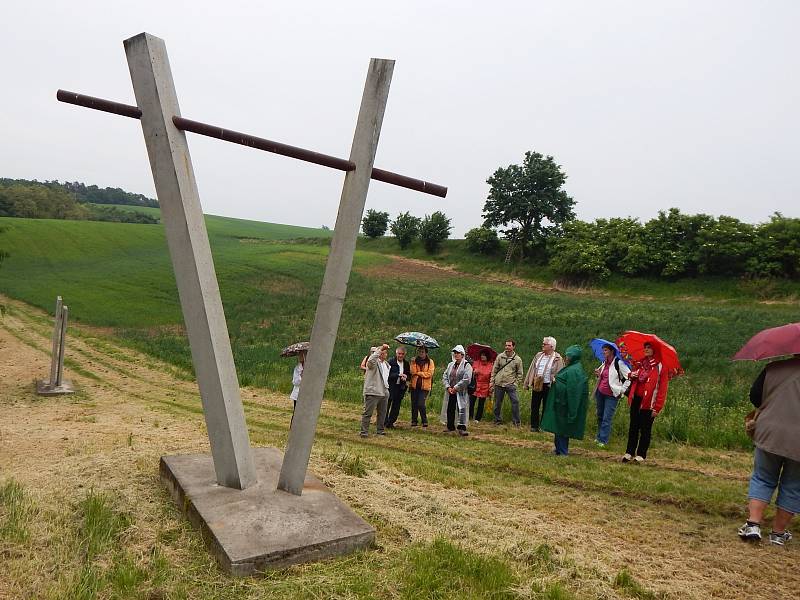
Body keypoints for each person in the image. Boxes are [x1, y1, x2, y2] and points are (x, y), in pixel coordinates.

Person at [738, 354, 800, 546]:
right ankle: (778, 534)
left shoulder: (773, 368)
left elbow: (755, 397)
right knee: (793, 485)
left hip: (769, 432)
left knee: (763, 477)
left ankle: (753, 524)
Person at [622, 342, 668, 463]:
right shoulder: (641, 363)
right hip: (636, 398)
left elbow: (662, 389)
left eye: (649, 348)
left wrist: (657, 407)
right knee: (633, 426)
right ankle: (629, 452)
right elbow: (630, 374)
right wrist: (633, 374)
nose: (646, 350)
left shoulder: (661, 367)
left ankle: (641, 454)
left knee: (645, 428)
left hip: (649, 402)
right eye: (645, 348)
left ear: (655, 350)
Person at [541, 344, 588, 455]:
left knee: (562, 428)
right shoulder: (572, 368)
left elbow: (572, 390)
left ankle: (562, 451)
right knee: (559, 427)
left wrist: (556, 382)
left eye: (568, 356)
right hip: (561, 403)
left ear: (574, 357)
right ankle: (558, 449)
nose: (566, 358)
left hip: (565, 404)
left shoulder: (574, 371)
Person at [593, 343, 631, 448]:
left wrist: (621, 390)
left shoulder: (619, 363)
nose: (603, 352)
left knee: (607, 417)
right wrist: (598, 375)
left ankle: (603, 440)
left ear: (611, 351)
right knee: (600, 415)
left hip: (612, 395)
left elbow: (629, 377)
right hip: (600, 392)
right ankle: (599, 436)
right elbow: (605, 378)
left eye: (605, 350)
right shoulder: (604, 363)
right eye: (603, 350)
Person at [524, 337, 563, 432]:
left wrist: (556, 380)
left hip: (548, 385)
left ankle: (544, 426)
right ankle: (534, 426)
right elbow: (531, 369)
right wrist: (527, 382)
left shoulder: (558, 358)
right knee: (534, 405)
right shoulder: (538, 355)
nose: (542, 345)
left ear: (551, 346)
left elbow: (560, 372)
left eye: (544, 344)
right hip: (537, 383)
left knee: (547, 406)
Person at [491, 339, 525, 426]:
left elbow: (520, 373)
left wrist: (515, 383)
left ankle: (516, 422)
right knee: (498, 403)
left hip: (510, 384)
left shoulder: (517, 359)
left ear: (513, 347)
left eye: (509, 345)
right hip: (499, 383)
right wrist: (492, 381)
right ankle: (497, 420)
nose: (507, 347)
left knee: (515, 401)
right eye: (506, 345)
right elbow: (494, 370)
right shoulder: (500, 357)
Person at [441, 345, 473, 436]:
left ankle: (462, 427)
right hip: (451, 390)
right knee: (450, 408)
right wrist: (448, 387)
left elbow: (467, 379)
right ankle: (450, 426)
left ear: (462, 355)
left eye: (458, 353)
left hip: (461, 391)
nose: (456, 355)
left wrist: (456, 387)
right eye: (455, 353)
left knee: (461, 408)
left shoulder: (467, 365)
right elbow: (445, 376)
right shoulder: (451, 365)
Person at [360, 344, 390, 438]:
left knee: (382, 413)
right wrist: (380, 348)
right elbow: (371, 360)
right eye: (381, 352)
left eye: (385, 352)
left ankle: (380, 431)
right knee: (368, 413)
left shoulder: (386, 364)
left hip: (384, 391)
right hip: (373, 391)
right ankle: (364, 432)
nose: (383, 354)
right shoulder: (372, 363)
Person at [384, 346, 410, 429]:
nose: (400, 356)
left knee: (396, 406)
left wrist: (406, 377)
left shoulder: (406, 363)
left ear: (405, 354)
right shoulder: (390, 362)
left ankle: (391, 423)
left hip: (401, 387)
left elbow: (409, 375)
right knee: (387, 405)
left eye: (402, 354)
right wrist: (398, 375)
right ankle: (384, 421)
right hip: (391, 386)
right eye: (399, 354)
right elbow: (387, 374)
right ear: (396, 353)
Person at [409, 346, 435, 427]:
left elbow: (429, 374)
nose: (421, 353)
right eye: (419, 351)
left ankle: (424, 420)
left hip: (424, 387)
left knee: (421, 403)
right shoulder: (414, 361)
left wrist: (419, 373)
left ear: (426, 353)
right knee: (414, 404)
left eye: (422, 352)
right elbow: (412, 372)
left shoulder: (430, 362)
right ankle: (414, 420)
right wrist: (413, 363)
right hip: (414, 385)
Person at [470, 350, 493, 422]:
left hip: (485, 386)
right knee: (471, 401)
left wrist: (490, 387)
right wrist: (474, 372)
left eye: (484, 355)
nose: (482, 356)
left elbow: (491, 376)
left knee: (481, 403)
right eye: (481, 355)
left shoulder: (490, 365)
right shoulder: (476, 363)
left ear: (487, 356)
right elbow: (470, 373)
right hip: (475, 385)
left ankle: (477, 418)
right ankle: (469, 416)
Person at [289, 350, 306, 424]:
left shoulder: (310, 367)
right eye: (299, 355)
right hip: (298, 394)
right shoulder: (297, 368)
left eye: (301, 355)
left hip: (307, 394)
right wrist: (301, 377)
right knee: (296, 412)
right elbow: (295, 382)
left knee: (305, 412)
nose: (300, 357)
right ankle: (293, 428)